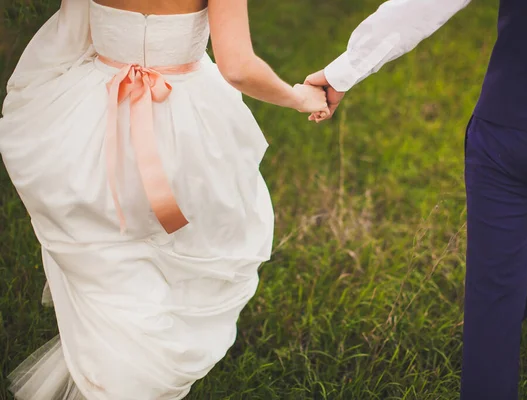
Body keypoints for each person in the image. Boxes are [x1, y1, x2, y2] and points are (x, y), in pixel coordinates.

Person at [0, 0, 328, 398]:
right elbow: (237, 67)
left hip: (97, 114)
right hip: (184, 125)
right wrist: (298, 97)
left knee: (108, 255)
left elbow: (70, 33)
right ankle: (135, 371)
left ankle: (114, 363)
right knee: (190, 244)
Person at [303, 0, 527, 398]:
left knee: (494, 291)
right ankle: (507, 325)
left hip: (511, 126)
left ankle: (497, 336)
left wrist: (344, 71)